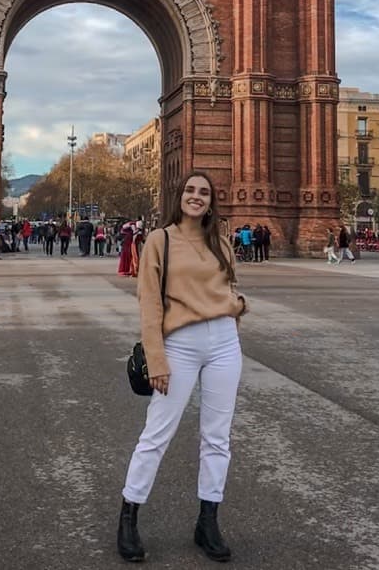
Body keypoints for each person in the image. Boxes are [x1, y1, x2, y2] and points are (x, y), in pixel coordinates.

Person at [118, 170, 247, 563]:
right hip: (181, 346)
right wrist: (156, 358)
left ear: (211, 201)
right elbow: (149, 303)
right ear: (179, 196)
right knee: (157, 433)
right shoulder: (160, 240)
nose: (196, 197)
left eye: (204, 192)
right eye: (190, 190)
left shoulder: (221, 242)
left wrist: (237, 306)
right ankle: (129, 516)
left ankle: (208, 521)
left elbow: (228, 285)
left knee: (217, 437)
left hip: (225, 342)